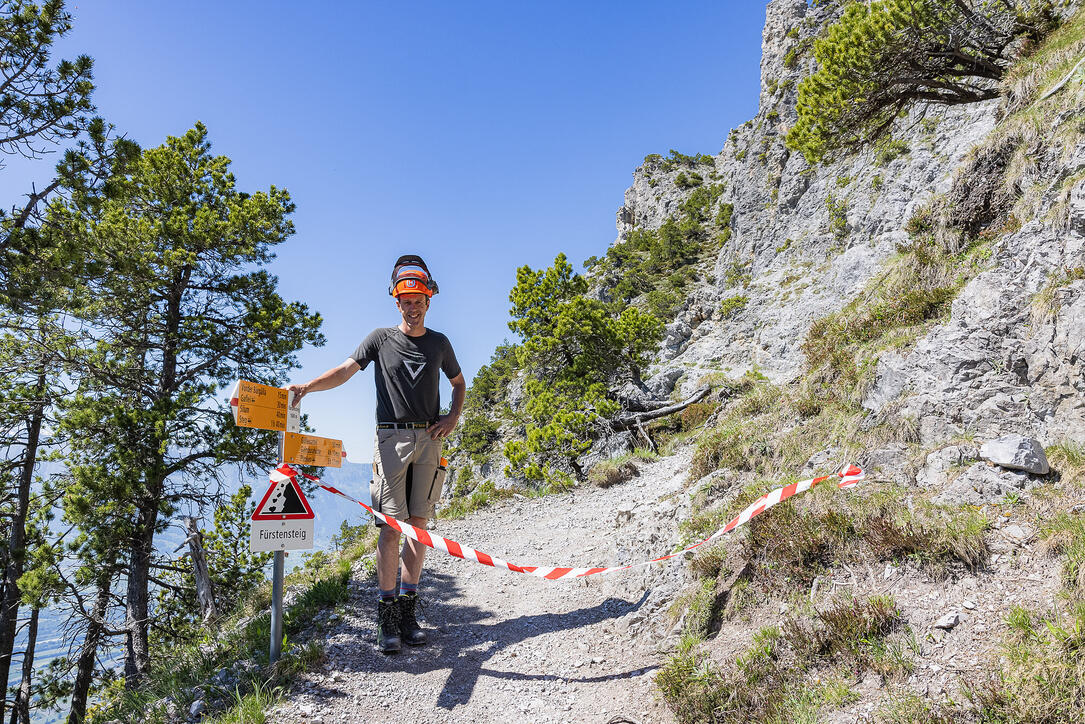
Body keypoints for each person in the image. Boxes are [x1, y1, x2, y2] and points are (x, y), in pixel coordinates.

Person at [288, 255, 465, 654]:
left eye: (419, 298)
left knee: (419, 527)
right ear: (396, 302)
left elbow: (458, 382)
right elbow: (346, 370)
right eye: (406, 299)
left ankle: (408, 613)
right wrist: (308, 387)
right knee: (390, 528)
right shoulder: (379, 339)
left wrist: (452, 417)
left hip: (429, 440)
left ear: (429, 300)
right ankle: (386, 619)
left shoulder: (440, 343)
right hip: (391, 440)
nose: (413, 305)